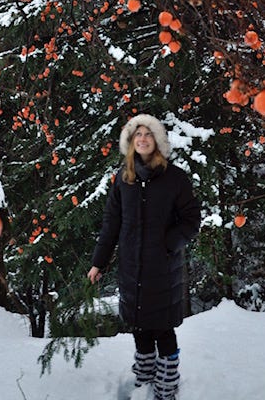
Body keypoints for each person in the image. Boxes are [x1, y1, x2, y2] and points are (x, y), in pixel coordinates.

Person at [87, 114, 201, 400]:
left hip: (162, 267)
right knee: (139, 325)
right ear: (130, 142)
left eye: (147, 134)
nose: (142, 139)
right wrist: (98, 262)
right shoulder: (123, 179)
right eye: (136, 135)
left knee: (163, 328)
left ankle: (166, 386)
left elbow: (191, 220)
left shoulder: (175, 178)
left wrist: (168, 244)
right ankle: (145, 380)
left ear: (157, 141)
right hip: (131, 267)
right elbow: (111, 222)